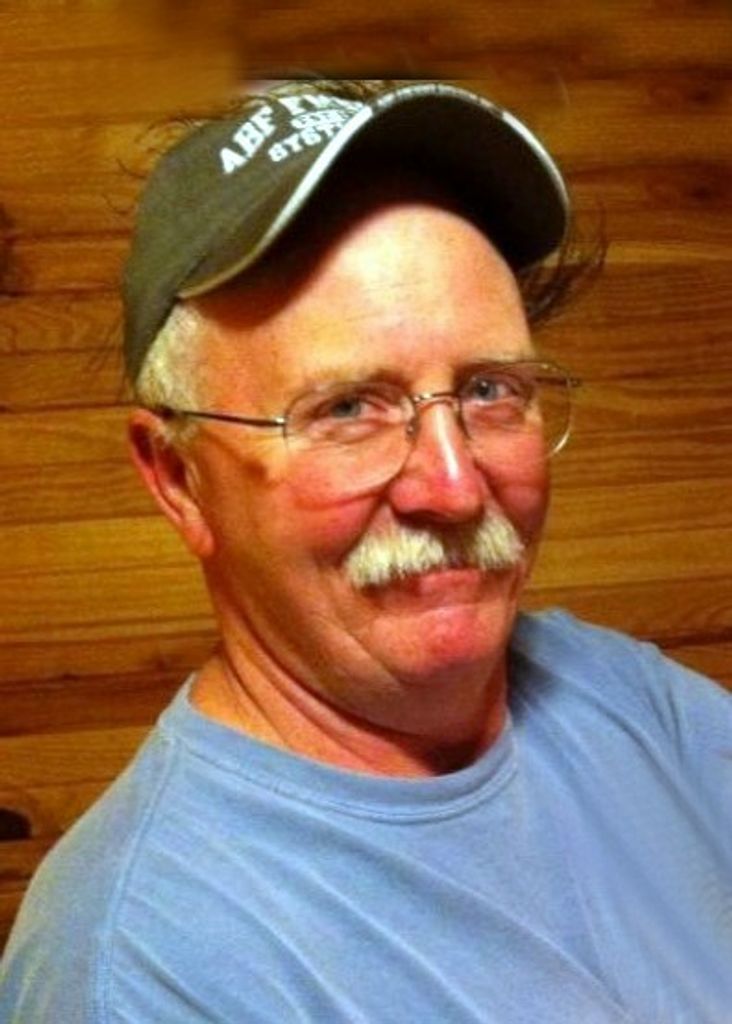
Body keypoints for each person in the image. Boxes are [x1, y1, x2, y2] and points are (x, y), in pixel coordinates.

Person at [1, 79, 730, 1024]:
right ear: (178, 478)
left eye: (489, 390)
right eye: (347, 408)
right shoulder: (141, 971)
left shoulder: (621, 694)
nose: (453, 487)